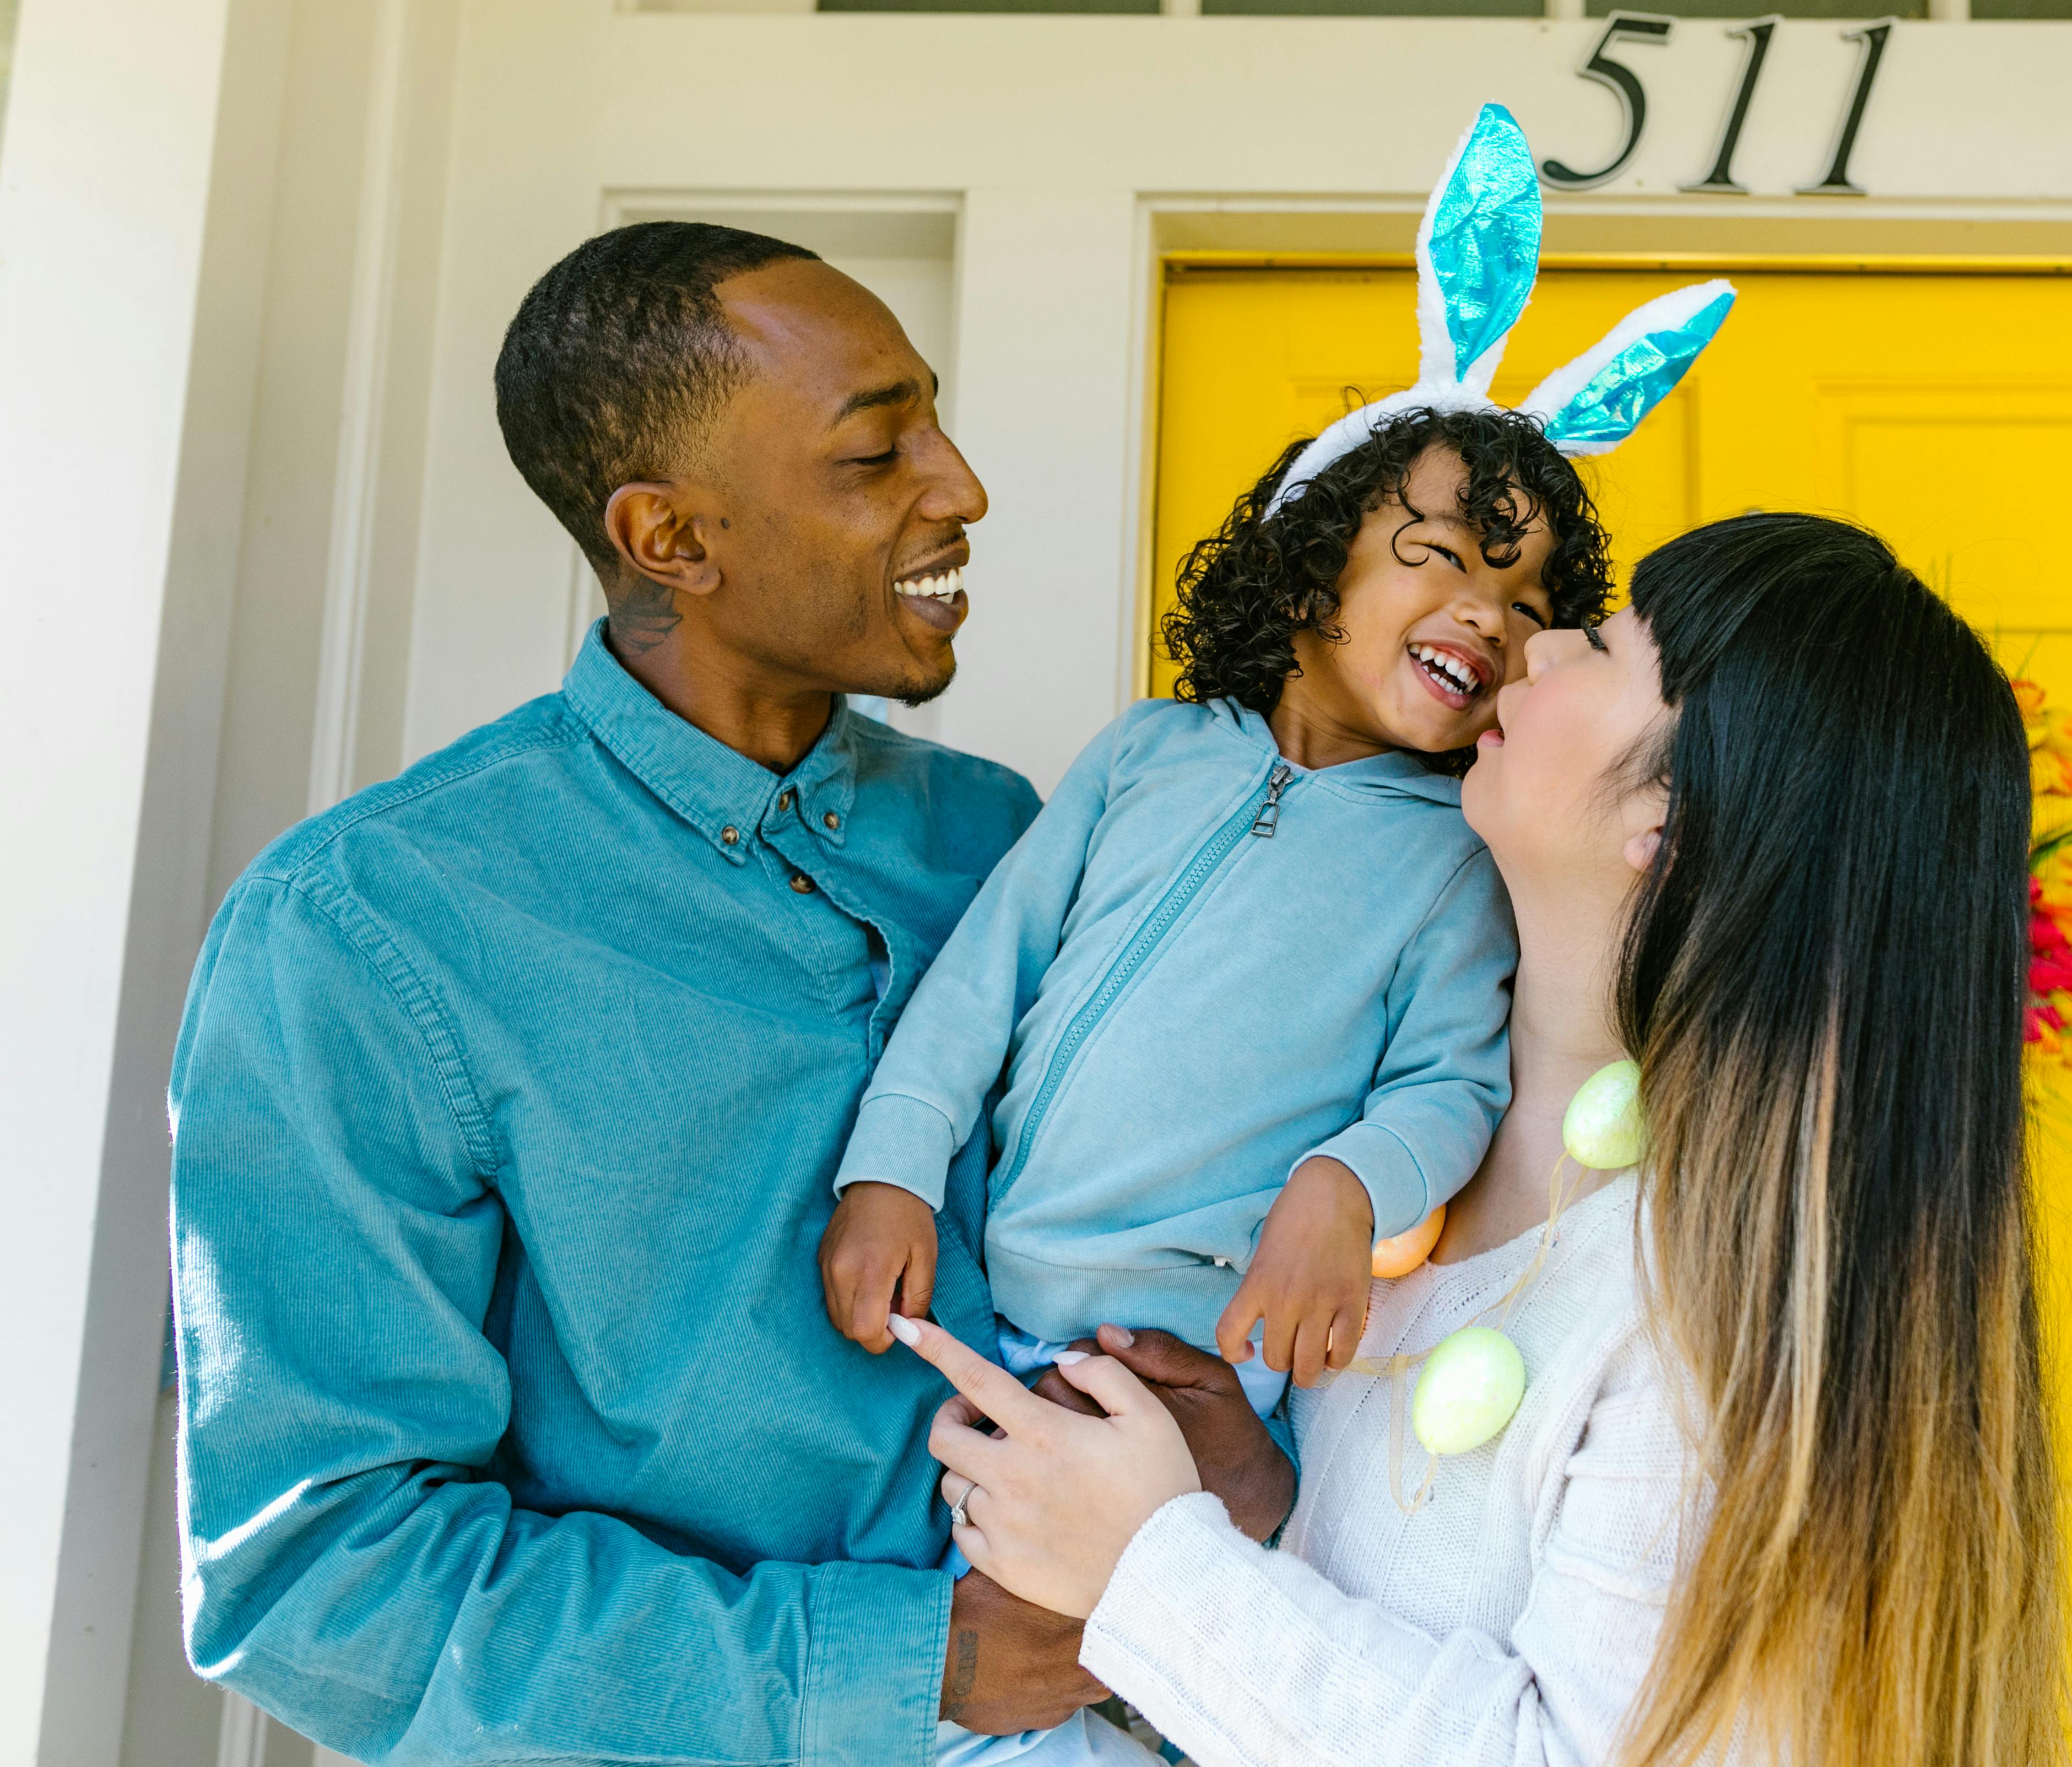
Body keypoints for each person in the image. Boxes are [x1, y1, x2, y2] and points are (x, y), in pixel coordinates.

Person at [164, 220, 1290, 1764]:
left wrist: (1231, 1443)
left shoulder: (1001, 839)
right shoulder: (361, 933)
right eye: (878, 450)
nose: (959, 487)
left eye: (936, 425)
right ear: (670, 540)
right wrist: (914, 1665)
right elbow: (319, 1583)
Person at [891, 514, 2072, 1767]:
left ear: (1677, 831)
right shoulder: (1389, 1134)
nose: (1540, 643)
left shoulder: (1708, 1310)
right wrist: (1250, 1501)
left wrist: (1150, 1563)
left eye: (1610, 649)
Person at [816, 408, 1609, 1422]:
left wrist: (1346, 1183)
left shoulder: (1460, 855)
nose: (1492, 618)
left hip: (1198, 1360)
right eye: (1447, 558)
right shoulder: (1145, 752)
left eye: (1528, 603)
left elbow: (1449, 1084)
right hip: (966, 1299)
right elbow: (981, 980)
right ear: (1304, 572)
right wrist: (889, 1172)